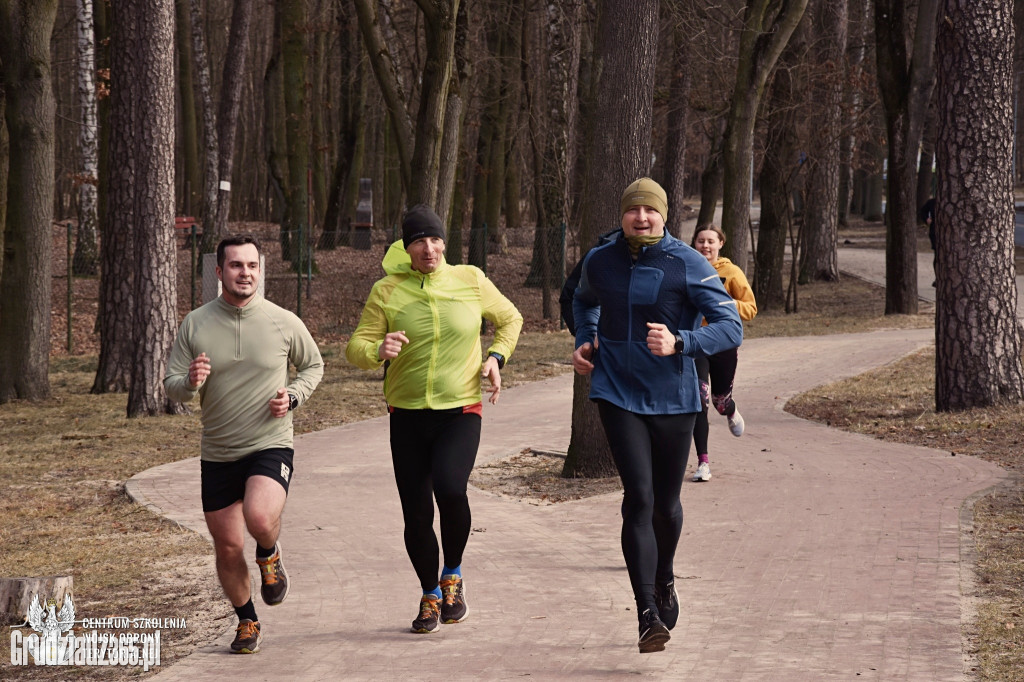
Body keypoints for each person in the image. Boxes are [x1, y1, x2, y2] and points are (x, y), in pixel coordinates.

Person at [571, 178, 742, 653]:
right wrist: (585, 337)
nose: (641, 218)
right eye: (633, 210)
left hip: (674, 397)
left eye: (650, 210)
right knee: (639, 498)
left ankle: (664, 575)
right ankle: (646, 612)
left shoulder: (686, 262)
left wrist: (682, 342)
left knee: (666, 505)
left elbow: (731, 325)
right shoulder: (599, 260)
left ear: (664, 216)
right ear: (622, 214)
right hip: (617, 391)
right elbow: (583, 300)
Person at [346, 204, 523, 634]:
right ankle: (429, 594)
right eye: (419, 241)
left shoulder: (471, 279)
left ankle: (453, 576)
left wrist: (496, 357)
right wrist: (377, 350)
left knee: (449, 486)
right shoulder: (387, 290)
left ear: (446, 242)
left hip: (460, 409)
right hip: (406, 415)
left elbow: (510, 319)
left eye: (435, 239)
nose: (429, 248)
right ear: (406, 248)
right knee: (416, 514)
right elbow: (355, 347)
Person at [164, 235, 324, 655]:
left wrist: (292, 396)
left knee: (257, 517)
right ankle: (247, 619)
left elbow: (313, 365)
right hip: (217, 451)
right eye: (236, 265)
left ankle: (269, 555)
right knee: (229, 547)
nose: (245, 273)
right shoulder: (195, 323)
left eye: (252, 265)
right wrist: (190, 381)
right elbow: (172, 386)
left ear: (260, 270)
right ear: (219, 272)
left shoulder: (282, 320)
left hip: (270, 443)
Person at [689, 224, 758, 482]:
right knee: (699, 398)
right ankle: (703, 462)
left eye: (710, 241)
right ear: (694, 244)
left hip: (723, 343)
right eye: (700, 241)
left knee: (718, 401)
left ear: (720, 244)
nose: (705, 246)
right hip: (696, 342)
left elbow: (750, 309)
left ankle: (729, 409)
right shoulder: (688, 268)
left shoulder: (731, 273)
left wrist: (725, 304)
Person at [919, 197, 937, 286]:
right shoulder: (932, 202)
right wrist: (927, 219)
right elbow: (923, 211)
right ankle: (938, 277)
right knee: (938, 255)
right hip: (935, 232)